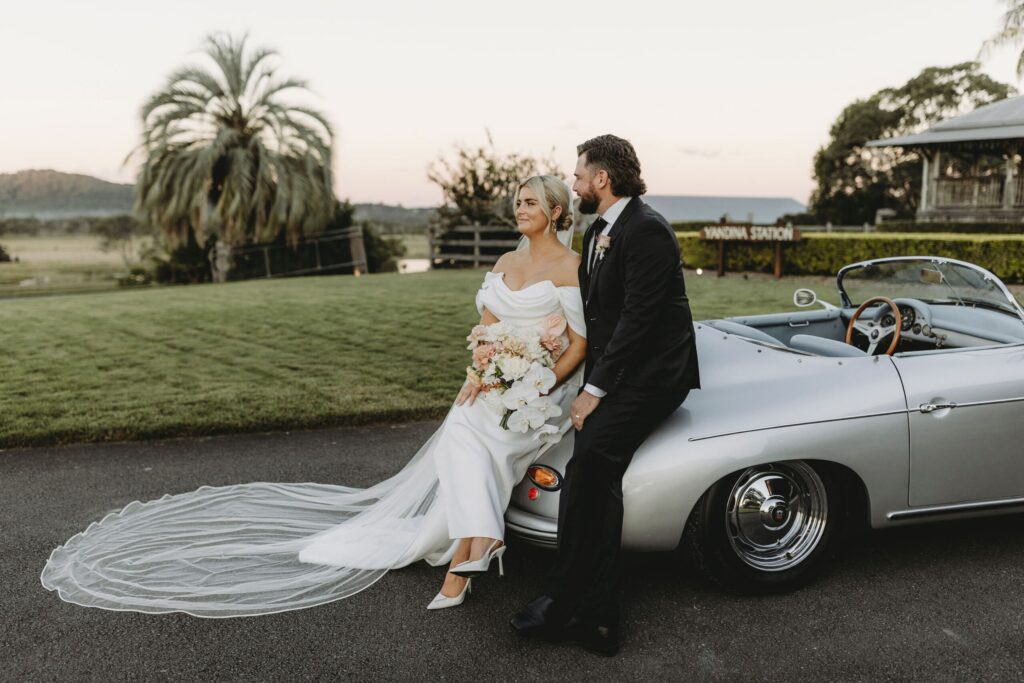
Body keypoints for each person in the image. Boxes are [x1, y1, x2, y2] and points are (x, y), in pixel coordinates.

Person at [39, 175, 587, 617]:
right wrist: (482, 373)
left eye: (530, 201)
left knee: (477, 438)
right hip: (493, 384)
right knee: (462, 431)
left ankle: (468, 558)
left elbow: (580, 344)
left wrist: (536, 388)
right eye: (517, 201)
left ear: (557, 212)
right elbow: (488, 330)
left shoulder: (569, 269)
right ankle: (481, 543)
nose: (519, 208)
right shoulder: (504, 264)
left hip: (543, 393)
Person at [511, 135, 700, 656]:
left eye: (577, 175)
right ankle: (593, 612)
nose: (572, 184)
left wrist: (593, 391)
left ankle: (567, 602)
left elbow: (639, 321)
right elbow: (599, 312)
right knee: (591, 473)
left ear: (602, 179)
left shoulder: (648, 232)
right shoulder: (602, 229)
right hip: (621, 369)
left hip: (656, 376)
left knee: (591, 460)